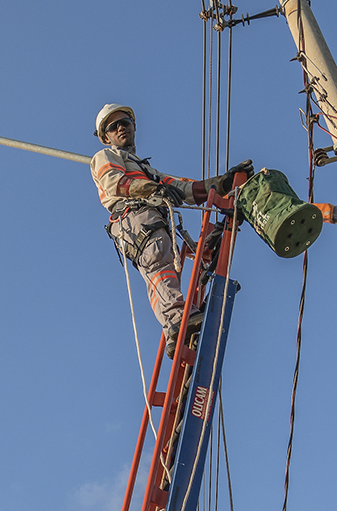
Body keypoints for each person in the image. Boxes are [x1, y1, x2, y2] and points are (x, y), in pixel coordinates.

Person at [91, 104, 234, 343]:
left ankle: (173, 332)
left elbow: (183, 187)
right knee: (157, 261)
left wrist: (222, 184)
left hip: (150, 217)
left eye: (124, 122)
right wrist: (155, 189)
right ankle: (177, 319)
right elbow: (115, 183)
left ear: (134, 126)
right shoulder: (107, 156)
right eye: (113, 126)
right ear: (106, 137)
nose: (120, 128)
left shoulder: (145, 168)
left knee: (162, 264)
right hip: (134, 217)